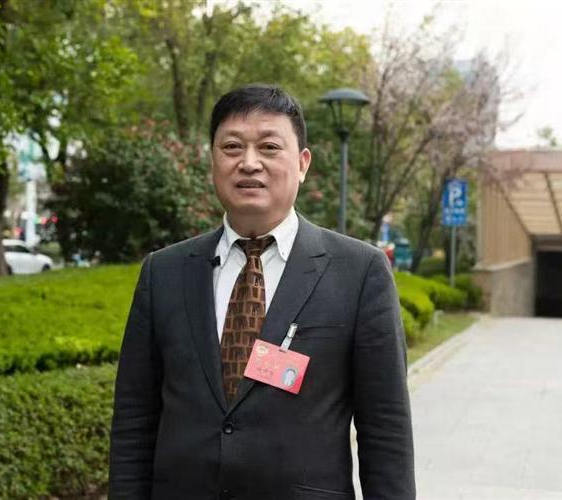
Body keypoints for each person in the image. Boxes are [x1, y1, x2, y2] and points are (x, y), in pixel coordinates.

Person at [109, 84, 415, 500]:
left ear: (302, 163)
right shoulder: (163, 272)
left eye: (269, 147)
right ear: (213, 160)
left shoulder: (359, 272)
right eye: (232, 147)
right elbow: (134, 420)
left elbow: (385, 430)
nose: (249, 163)